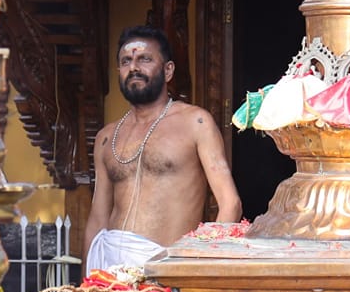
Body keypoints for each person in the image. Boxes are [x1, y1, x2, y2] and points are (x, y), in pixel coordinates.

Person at [84, 25, 241, 275]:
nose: (134, 67)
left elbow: (230, 204)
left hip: (169, 273)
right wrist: (88, 284)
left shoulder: (195, 122)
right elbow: (98, 218)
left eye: (144, 59)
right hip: (109, 274)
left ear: (168, 71)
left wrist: (199, 273)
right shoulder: (106, 137)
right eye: (126, 61)